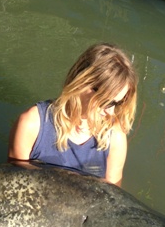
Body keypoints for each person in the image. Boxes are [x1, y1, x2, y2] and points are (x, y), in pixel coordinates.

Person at [8, 43, 137, 185]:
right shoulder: (31, 124)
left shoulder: (115, 137)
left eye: (118, 103)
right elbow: (15, 186)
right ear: (82, 84)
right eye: (106, 102)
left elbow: (112, 197)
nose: (111, 112)